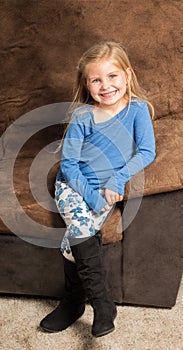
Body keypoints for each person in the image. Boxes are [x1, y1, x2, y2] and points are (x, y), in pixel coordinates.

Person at [40, 41, 156, 337]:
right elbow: (68, 164)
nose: (106, 86)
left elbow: (146, 151)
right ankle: (103, 305)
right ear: (87, 84)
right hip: (71, 186)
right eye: (96, 80)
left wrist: (116, 180)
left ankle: (73, 301)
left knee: (71, 245)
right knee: (80, 228)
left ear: (127, 75)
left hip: (105, 189)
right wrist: (90, 196)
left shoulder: (137, 111)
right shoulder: (83, 116)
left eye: (112, 76)